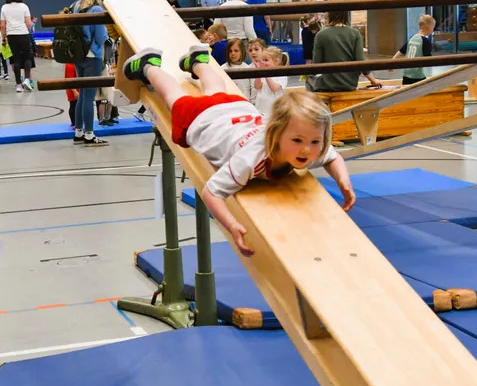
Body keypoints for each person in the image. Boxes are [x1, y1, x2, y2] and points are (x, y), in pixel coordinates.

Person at [122, 44, 355, 256]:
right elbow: (211, 193)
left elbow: (332, 157)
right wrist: (231, 223)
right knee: (174, 96)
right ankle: (149, 66)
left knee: (216, 90)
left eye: (315, 142)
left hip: (237, 109)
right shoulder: (250, 160)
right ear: (275, 134)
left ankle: (199, 61)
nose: (307, 150)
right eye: (298, 140)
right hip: (204, 119)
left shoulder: (305, 149)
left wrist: (343, 181)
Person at [70, 0, 109, 146]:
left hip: (78, 54)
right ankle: (89, 134)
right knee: (89, 96)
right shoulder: (96, 9)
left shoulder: (76, 6)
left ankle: (79, 131)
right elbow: (100, 36)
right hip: (93, 54)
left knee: (82, 95)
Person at [306, 11, 383, 92]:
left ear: (329, 15)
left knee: (309, 80)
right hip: (350, 84)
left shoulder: (321, 35)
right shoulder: (355, 33)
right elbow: (361, 61)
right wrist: (373, 80)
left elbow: (316, 66)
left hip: (329, 84)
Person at [0, 0, 34, 92]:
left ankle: (18, 85)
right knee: (27, 57)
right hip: (23, 34)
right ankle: (27, 79)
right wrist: (29, 28)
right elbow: (29, 23)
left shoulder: (4, 8)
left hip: (11, 35)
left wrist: (4, 38)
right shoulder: (24, 6)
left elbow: (2, 25)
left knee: (16, 59)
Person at [390, 14, 436, 85]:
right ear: (429, 27)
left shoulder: (412, 38)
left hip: (406, 74)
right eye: (433, 28)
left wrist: (391, 63)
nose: (432, 30)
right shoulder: (425, 41)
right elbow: (429, 60)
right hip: (417, 76)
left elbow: (401, 51)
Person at [253, 46, 289, 117]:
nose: (263, 63)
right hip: (260, 110)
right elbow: (257, 87)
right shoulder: (263, 74)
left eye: (266, 60)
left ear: (276, 62)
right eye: (262, 60)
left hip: (273, 112)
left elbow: (274, 88)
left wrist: (266, 74)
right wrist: (259, 73)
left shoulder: (281, 75)